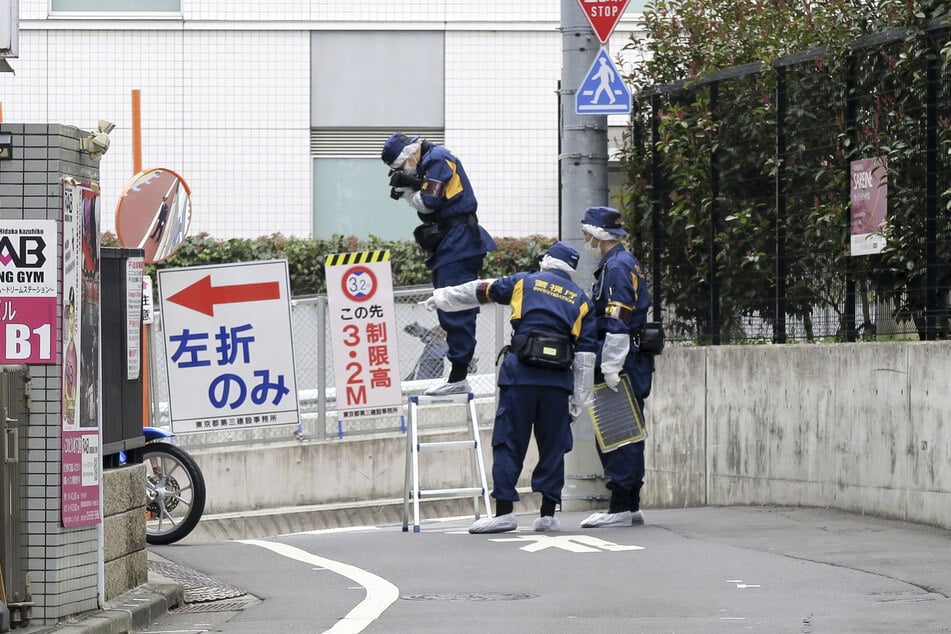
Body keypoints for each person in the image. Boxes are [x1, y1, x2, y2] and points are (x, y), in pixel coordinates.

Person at [423, 241, 597, 533]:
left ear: (546, 261)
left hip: (520, 378)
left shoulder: (524, 283)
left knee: (508, 443)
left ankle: (504, 512)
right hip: (557, 384)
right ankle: (547, 514)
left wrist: (442, 298)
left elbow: (480, 290)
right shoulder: (581, 300)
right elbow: (585, 355)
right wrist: (579, 399)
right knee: (553, 447)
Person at [382, 132, 496, 396]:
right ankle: (458, 373)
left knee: (456, 305)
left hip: (459, 242)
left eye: (401, 167)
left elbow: (428, 202)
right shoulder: (429, 161)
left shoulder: (438, 158)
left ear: (409, 154)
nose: (403, 171)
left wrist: (410, 188)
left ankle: (458, 375)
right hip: (452, 242)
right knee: (449, 305)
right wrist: (413, 186)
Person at [577, 206, 655, 529]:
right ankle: (629, 504)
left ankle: (620, 506)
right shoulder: (621, 263)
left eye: (587, 234)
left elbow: (618, 321)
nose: (585, 240)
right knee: (628, 431)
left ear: (597, 235)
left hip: (621, 360)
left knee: (617, 432)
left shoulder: (618, 267)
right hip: (630, 359)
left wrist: (610, 367)